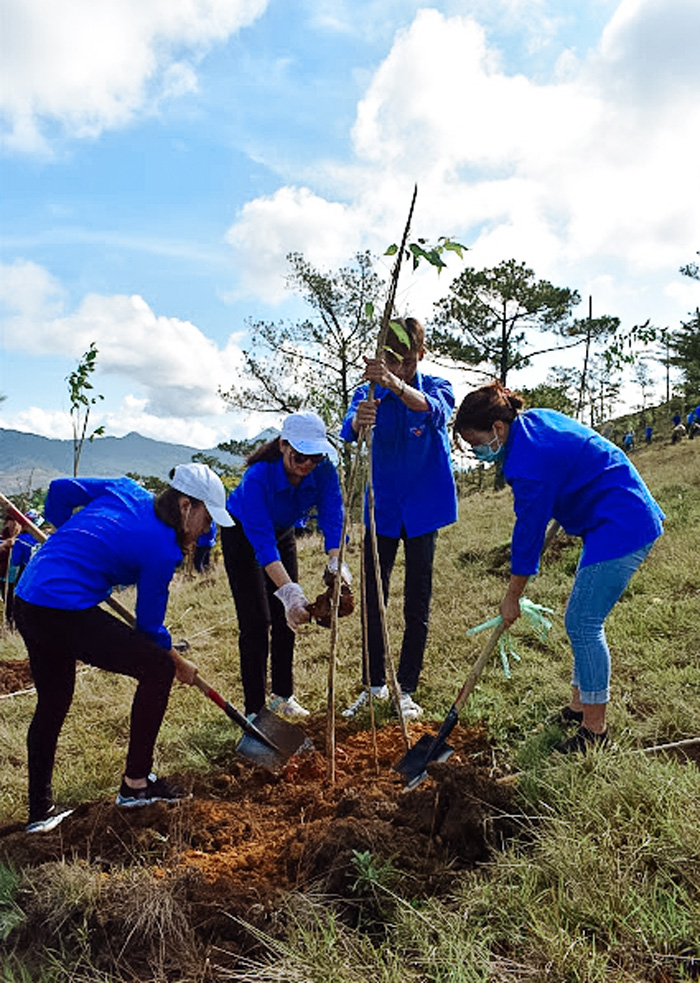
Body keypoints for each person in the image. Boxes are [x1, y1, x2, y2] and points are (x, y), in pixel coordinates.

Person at [14, 464, 233, 833]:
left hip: (30, 599)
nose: (208, 530)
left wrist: (58, 529)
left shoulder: (126, 488)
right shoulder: (162, 550)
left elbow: (60, 490)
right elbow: (149, 628)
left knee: (53, 701)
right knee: (157, 669)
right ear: (185, 506)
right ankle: (136, 784)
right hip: (62, 609)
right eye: (207, 518)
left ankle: (41, 812)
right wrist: (176, 660)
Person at [454, 381, 664, 753]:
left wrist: (512, 597)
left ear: (498, 429)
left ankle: (594, 732)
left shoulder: (527, 461)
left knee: (583, 621)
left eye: (477, 444)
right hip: (609, 515)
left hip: (623, 521)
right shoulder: (533, 423)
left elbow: (527, 537)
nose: (479, 452)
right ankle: (578, 707)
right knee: (580, 618)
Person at [340, 317, 457, 722]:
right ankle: (373, 686)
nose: (399, 367)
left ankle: (406, 688)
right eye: (391, 360)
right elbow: (348, 430)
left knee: (417, 602)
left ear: (420, 355)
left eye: (407, 360)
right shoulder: (368, 393)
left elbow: (435, 412)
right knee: (374, 598)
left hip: (425, 510)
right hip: (382, 510)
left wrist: (395, 383)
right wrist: (360, 419)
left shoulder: (435, 388)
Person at [221, 411, 346, 721]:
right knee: (256, 621)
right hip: (242, 535)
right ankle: (255, 710)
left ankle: (282, 695)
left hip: (283, 531)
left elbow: (332, 516)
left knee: (290, 616)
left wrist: (336, 560)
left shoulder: (324, 471)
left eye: (314, 457)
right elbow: (262, 544)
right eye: (300, 455)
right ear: (283, 445)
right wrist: (287, 590)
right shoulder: (257, 478)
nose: (307, 464)